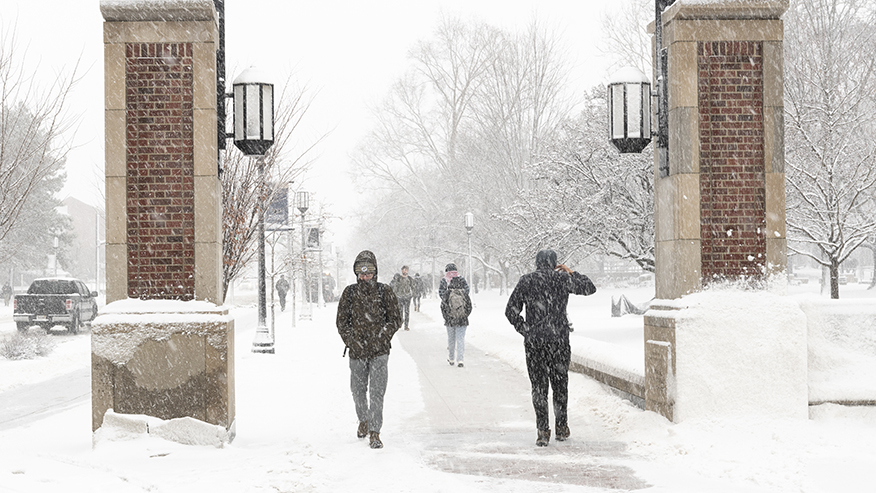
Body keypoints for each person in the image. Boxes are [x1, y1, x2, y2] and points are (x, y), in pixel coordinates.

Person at [504, 249, 596, 447]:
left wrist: (526, 329)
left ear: (537, 263)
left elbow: (510, 310)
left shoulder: (526, 281)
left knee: (539, 387)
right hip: (559, 341)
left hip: (535, 343)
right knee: (560, 385)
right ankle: (561, 427)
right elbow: (590, 288)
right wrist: (570, 273)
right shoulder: (561, 279)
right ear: (555, 263)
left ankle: (542, 431)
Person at [336, 250, 402, 449]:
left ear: (375, 272)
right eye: (361, 272)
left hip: (379, 352)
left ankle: (375, 431)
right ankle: (363, 419)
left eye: (369, 272)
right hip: (357, 352)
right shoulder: (349, 293)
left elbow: (396, 319)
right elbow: (342, 322)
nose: (365, 276)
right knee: (357, 391)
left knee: (377, 392)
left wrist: (382, 336)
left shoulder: (385, 291)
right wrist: (352, 340)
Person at [439, 263, 472, 368]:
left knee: (451, 339)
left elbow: (442, 299)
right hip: (462, 318)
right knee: (461, 339)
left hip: (450, 318)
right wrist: (464, 314)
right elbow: (468, 304)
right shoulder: (462, 280)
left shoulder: (445, 281)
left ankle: (451, 358)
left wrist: (447, 314)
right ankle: (460, 359)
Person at [390, 265, 415, 330]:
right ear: (402, 271)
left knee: (407, 311)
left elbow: (413, 287)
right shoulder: (398, 279)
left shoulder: (410, 279)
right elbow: (395, 288)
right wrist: (394, 295)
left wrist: (412, 294)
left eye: (406, 269)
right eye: (403, 270)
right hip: (400, 297)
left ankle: (406, 325)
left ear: (408, 270)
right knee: (400, 311)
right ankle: (401, 321)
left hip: (407, 297)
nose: (405, 271)